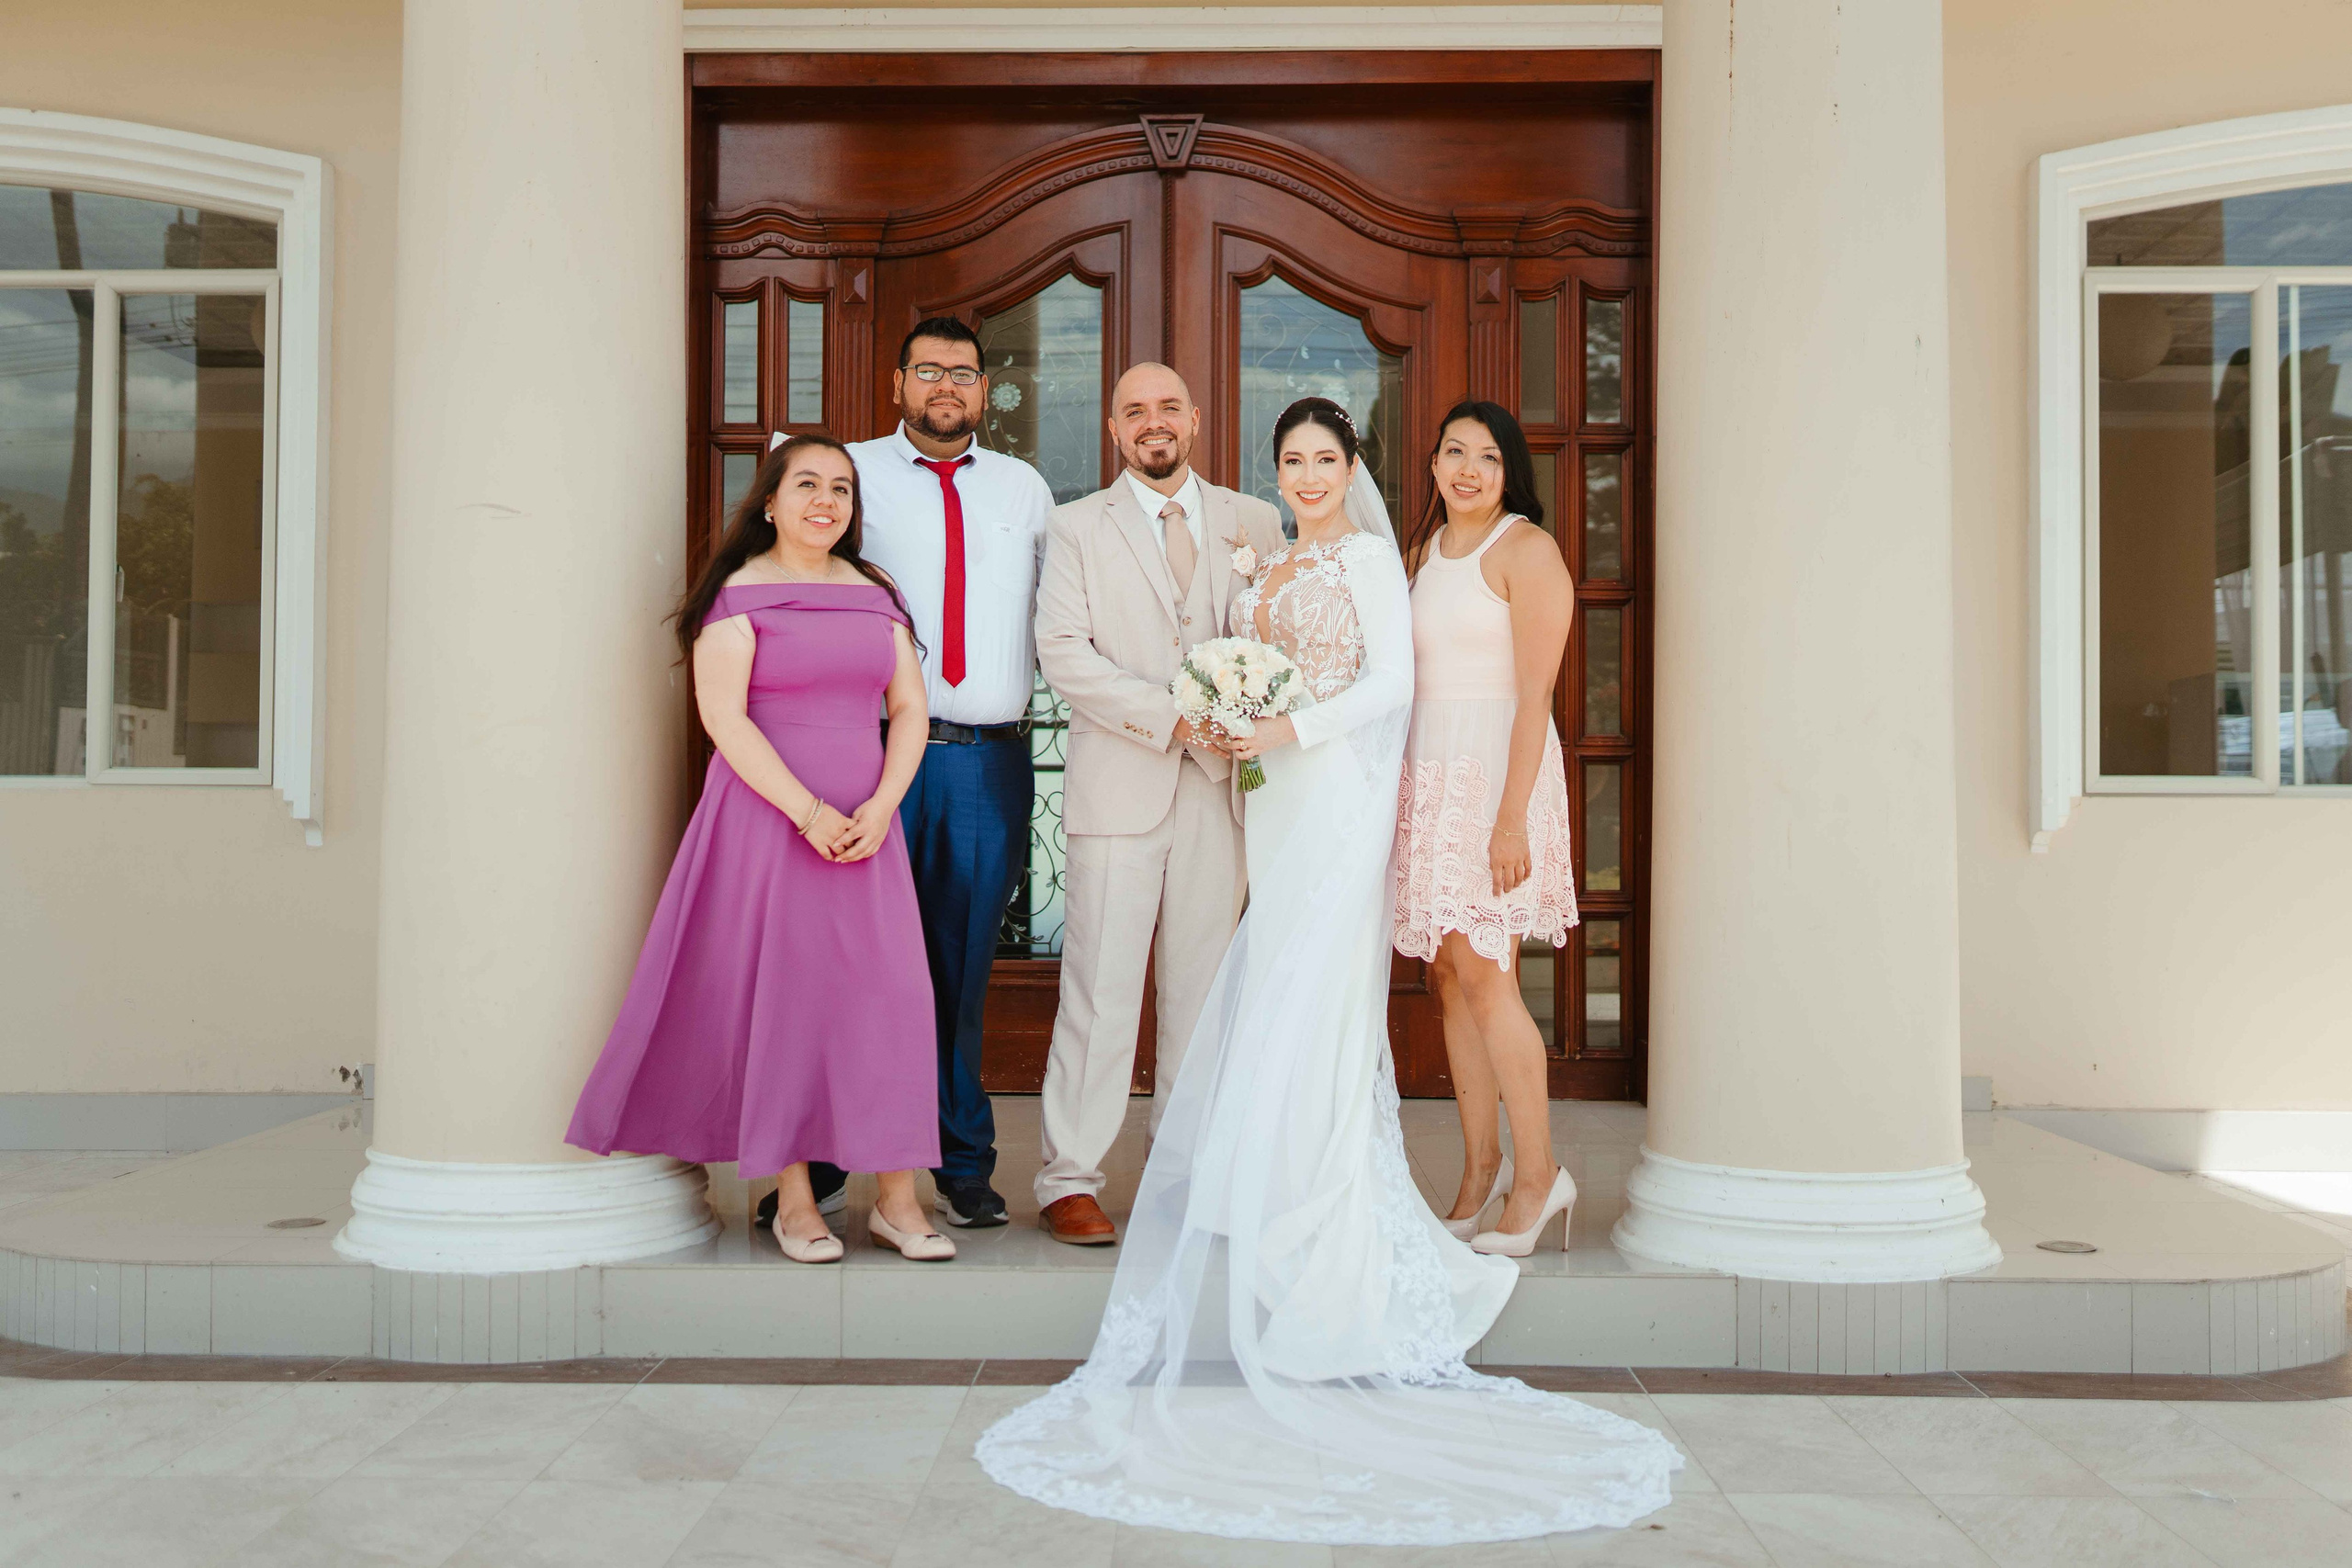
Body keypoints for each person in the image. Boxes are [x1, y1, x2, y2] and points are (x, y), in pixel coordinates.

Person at [975, 399, 1678, 1545]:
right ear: (1277, 472)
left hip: (1351, 791)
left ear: (1354, 469)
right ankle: (1342, 1183)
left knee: (1361, 986)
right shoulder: (1316, 556)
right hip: (1290, 799)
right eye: (1292, 459)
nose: (1308, 474)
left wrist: (1287, 736)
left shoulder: (1386, 559)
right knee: (1317, 987)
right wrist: (1236, 718)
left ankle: (1418, 1194)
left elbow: (1396, 685)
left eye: (1326, 458)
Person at [567, 435, 955, 1264]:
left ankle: (897, 1199)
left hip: (867, 827)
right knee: (787, 1000)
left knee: (887, 999)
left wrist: (884, 804)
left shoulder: (875, 591)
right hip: (771, 822)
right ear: (771, 501)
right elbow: (724, 717)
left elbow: (909, 708)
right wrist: (808, 813)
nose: (826, 500)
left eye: (841, 488)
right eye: (807, 483)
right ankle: (795, 1201)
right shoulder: (738, 593)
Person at [755, 318, 1054, 1235]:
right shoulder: (848, 474)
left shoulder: (1023, 488)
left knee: (958, 973)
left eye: (963, 373)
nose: (946, 386)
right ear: (897, 384)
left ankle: (959, 1164)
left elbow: (1060, 611)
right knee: (847, 964)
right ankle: (824, 1162)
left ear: (986, 390)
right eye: (928, 370)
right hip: (867, 755)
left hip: (984, 758)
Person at [1028, 362, 1286, 1245]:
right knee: (1099, 992)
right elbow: (1063, 653)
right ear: (1114, 430)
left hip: (1222, 793)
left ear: (1196, 419)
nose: (1154, 422)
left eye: (1169, 406)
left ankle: (1185, 1178)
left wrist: (1252, 712)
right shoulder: (1075, 527)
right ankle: (1069, 1177)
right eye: (1134, 410)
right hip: (1119, 790)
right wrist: (1174, 717)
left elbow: (1278, 640)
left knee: (1200, 996)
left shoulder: (1255, 522)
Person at [1393, 400, 1582, 1255]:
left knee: (1488, 975)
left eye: (1488, 457)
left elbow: (1535, 697)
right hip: (1430, 778)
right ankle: (1480, 1169)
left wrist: (1510, 820)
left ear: (1510, 473)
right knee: (1448, 974)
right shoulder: (1421, 555)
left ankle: (1540, 1176)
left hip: (1496, 783)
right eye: (1454, 452)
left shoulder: (1526, 551)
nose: (1468, 469)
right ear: (1434, 463)